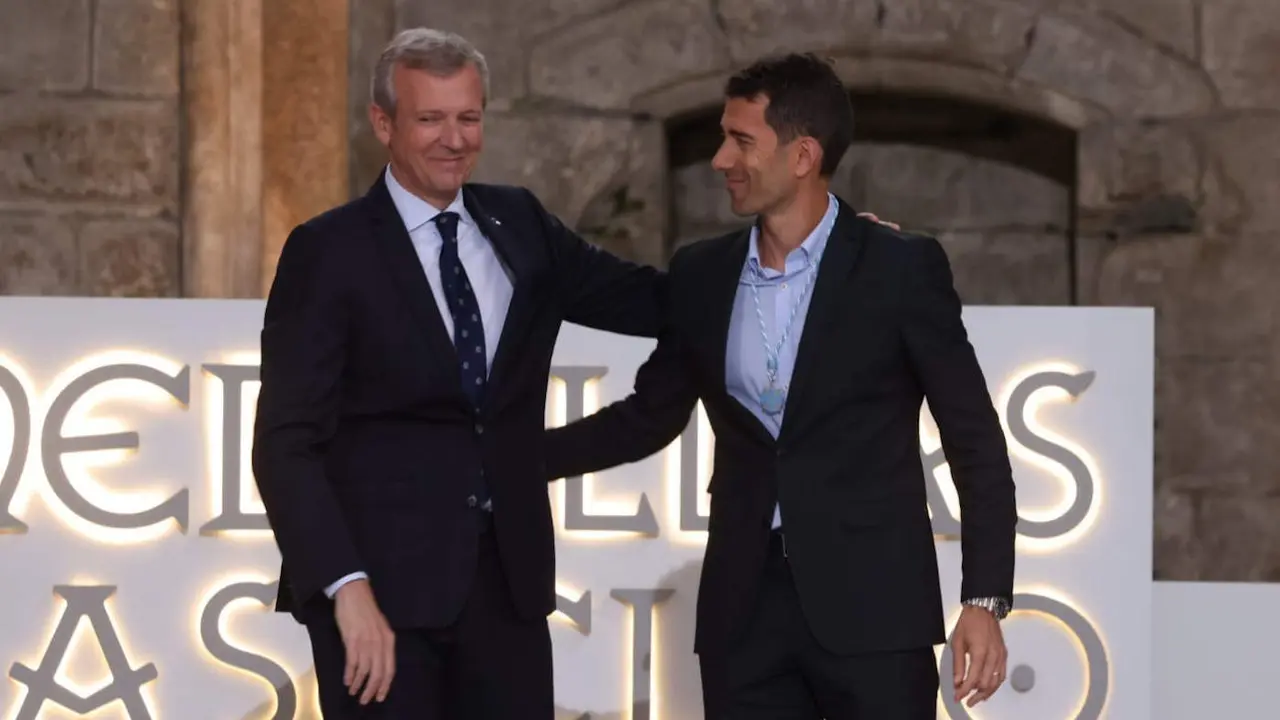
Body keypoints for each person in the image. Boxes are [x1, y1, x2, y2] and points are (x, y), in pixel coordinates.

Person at [543, 53, 1018, 719]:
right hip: (744, 617)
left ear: (802, 155)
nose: (720, 159)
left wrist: (985, 597)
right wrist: (514, 456)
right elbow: (646, 418)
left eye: (741, 140)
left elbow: (973, 438)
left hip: (876, 615)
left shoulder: (899, 269)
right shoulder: (702, 274)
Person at [249, 28, 669, 719]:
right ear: (383, 123)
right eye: (431, 119)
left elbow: (654, 300)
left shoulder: (522, 224)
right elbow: (285, 445)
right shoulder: (328, 252)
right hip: (378, 602)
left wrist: (810, 244)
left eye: (468, 118)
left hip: (508, 595)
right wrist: (345, 589)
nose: (455, 139)